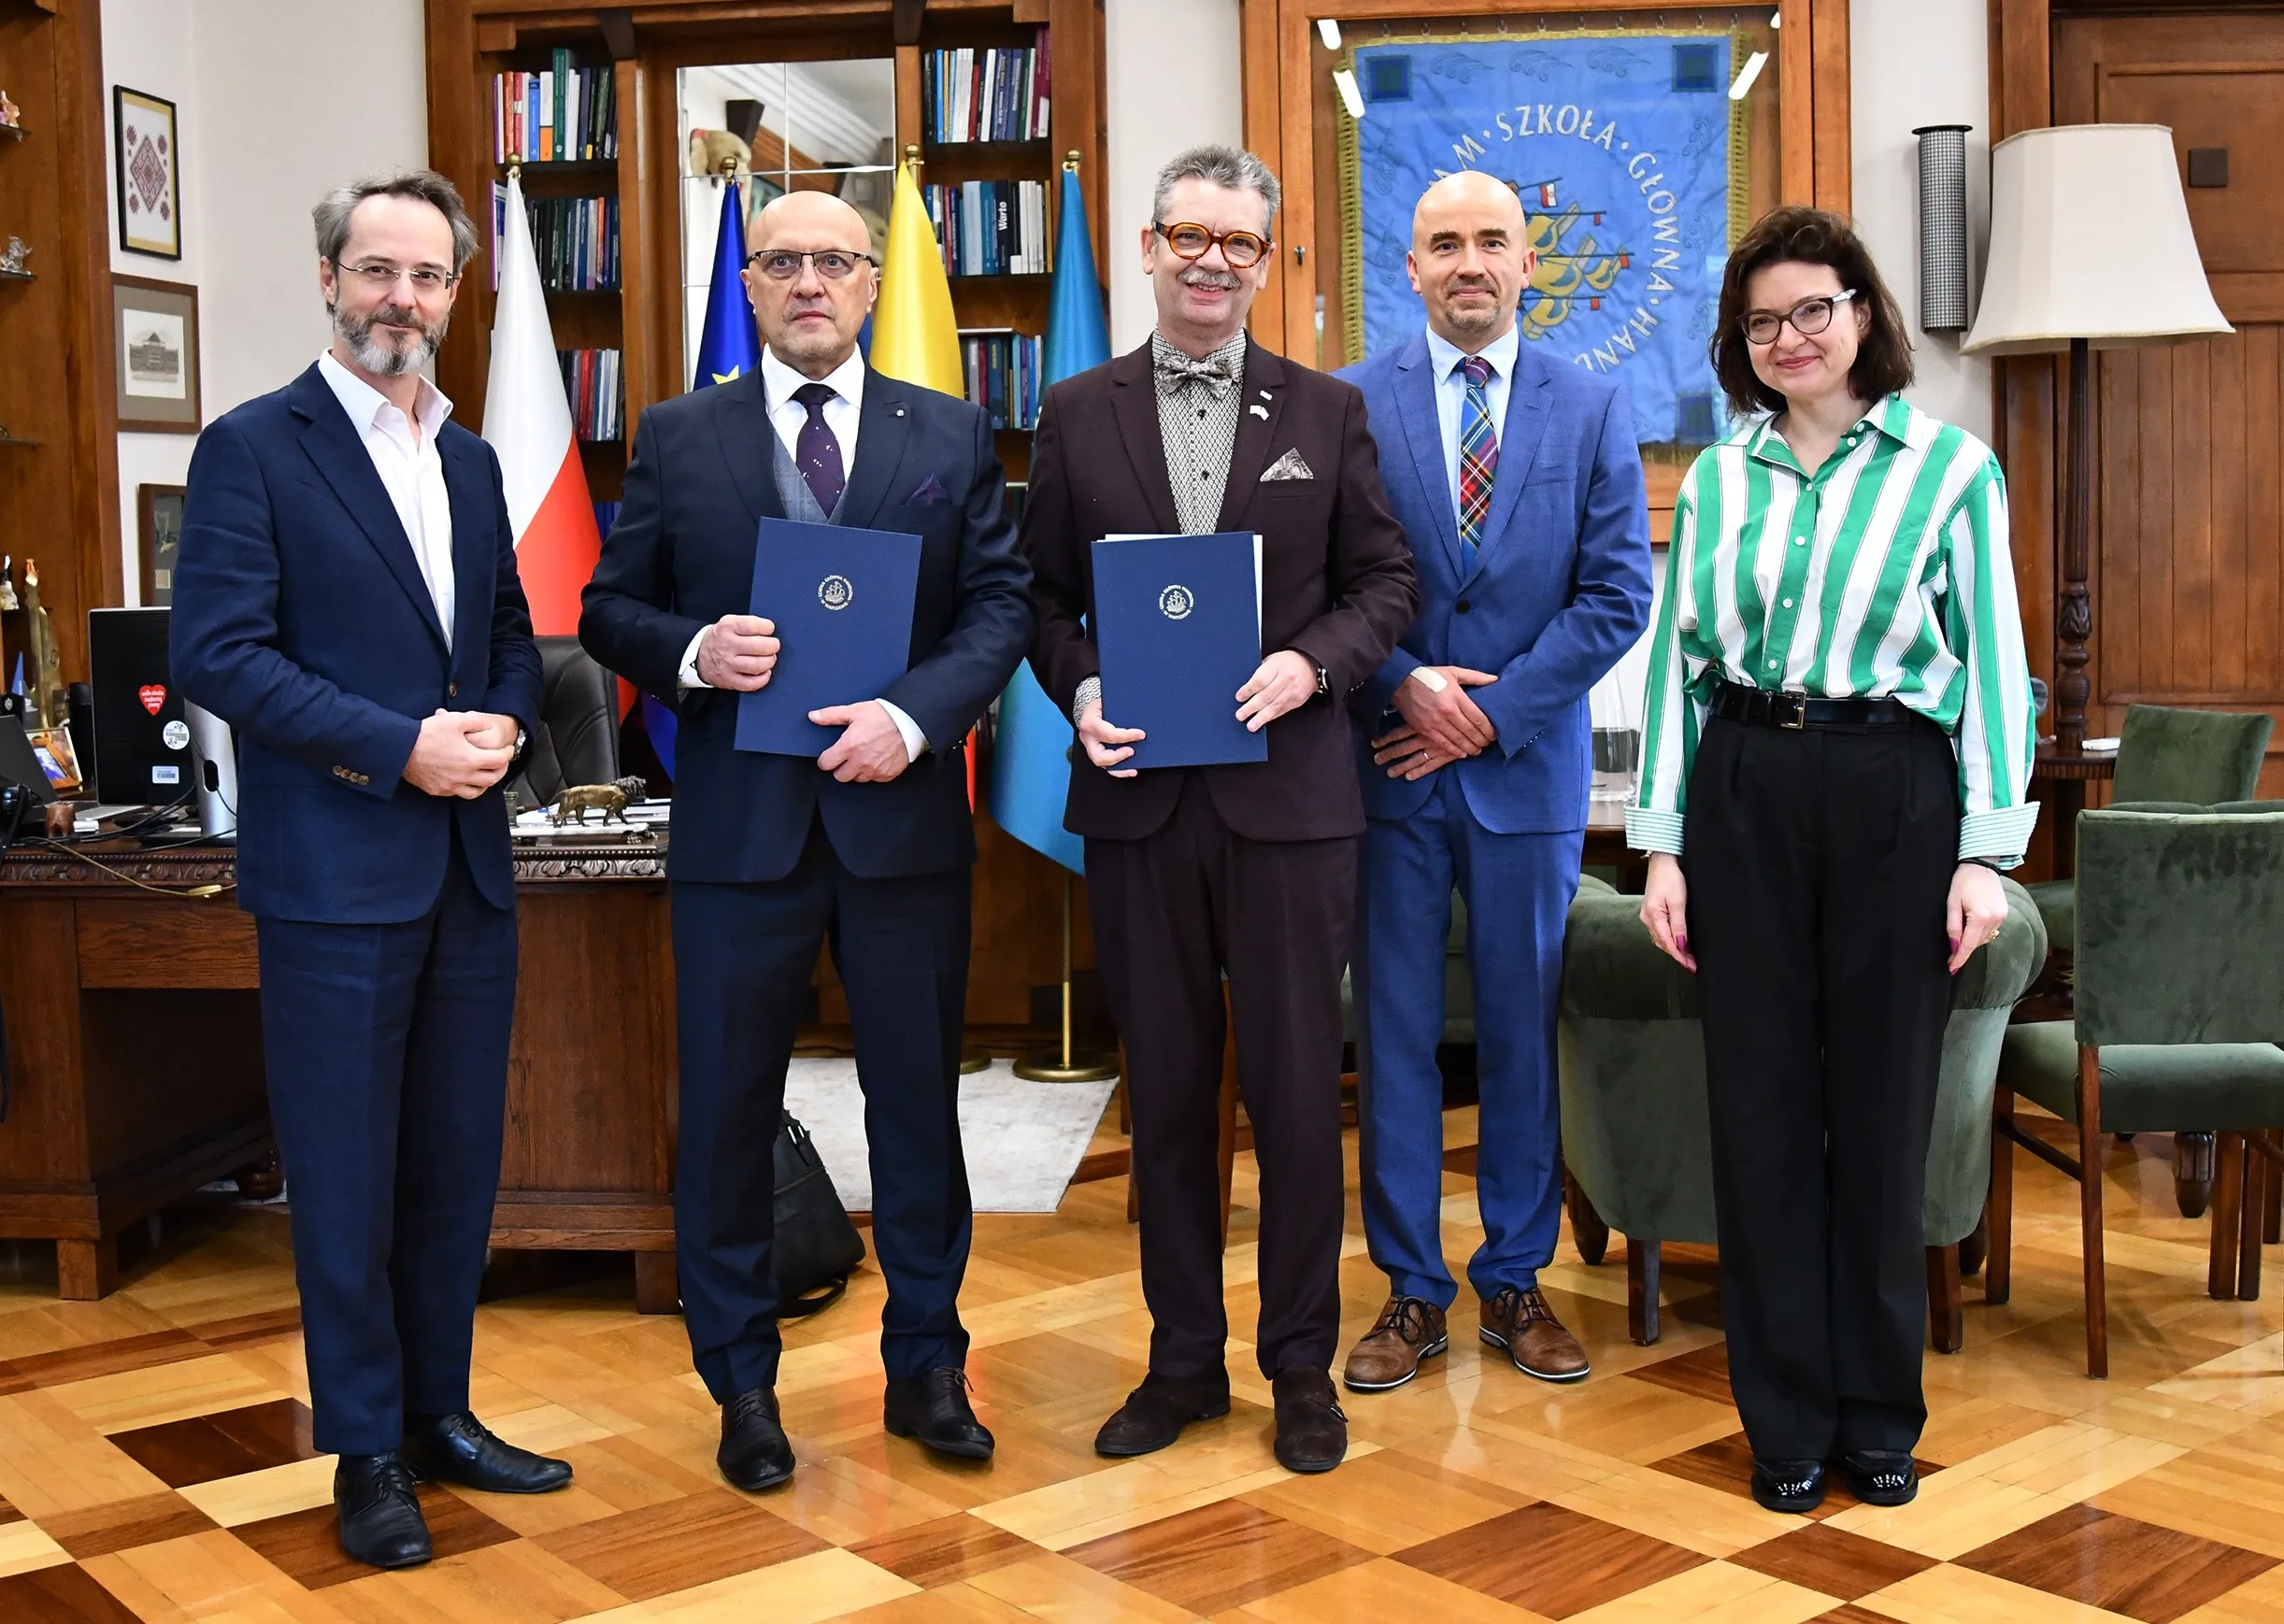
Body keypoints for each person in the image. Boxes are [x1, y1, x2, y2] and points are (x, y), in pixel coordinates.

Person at [579, 190, 1032, 1492]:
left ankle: (930, 1367)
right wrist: (690, 653)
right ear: (755, 285)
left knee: (915, 1114)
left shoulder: (946, 429)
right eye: (782, 262)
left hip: (900, 827)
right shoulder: (679, 434)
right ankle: (741, 1384)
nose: (809, 282)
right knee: (724, 1112)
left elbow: (998, 605)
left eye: (834, 261)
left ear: (873, 278)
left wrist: (915, 713)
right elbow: (610, 606)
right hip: (740, 837)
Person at [171, 169, 569, 1572]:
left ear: (459, 296)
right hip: (337, 873)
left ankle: (440, 1408)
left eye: (429, 277)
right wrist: (396, 746)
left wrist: (507, 721)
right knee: (344, 1176)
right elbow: (218, 654)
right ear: (331, 277)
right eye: (377, 270)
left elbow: (516, 633)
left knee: (456, 1163)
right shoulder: (252, 447)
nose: (403, 298)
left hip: (466, 869)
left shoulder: (468, 459)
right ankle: (363, 1450)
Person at [1629, 207, 2036, 1515]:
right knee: (1757, 1116)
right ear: (1738, 343)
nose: (1790, 337)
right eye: (1762, 320)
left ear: (1864, 312)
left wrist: (1984, 851)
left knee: (1879, 1115)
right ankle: (1786, 1416)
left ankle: (1878, 1415)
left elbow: (1998, 673)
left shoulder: (1950, 469)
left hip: (1891, 794)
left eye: (1814, 308)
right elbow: (1679, 672)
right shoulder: (1720, 480)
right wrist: (1663, 848)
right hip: (1745, 785)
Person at [1024, 144, 1418, 1474]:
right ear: (1148, 247)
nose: (1211, 260)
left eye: (1238, 243)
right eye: (1188, 235)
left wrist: (1313, 664)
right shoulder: (1076, 411)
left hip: (1294, 803)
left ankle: (1299, 1364)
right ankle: (1181, 1359)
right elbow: (1037, 599)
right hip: (1139, 799)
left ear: (1266, 261)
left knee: (1305, 1097)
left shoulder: (1327, 411)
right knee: (1173, 1096)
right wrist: (1076, 689)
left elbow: (1384, 582)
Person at [1335, 172, 1652, 1395]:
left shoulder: (1592, 404)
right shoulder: (1353, 405)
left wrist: (1491, 713)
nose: (1469, 262)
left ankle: (1514, 1278)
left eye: (1493, 243)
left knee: (1524, 1032)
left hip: (1525, 774)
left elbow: (1618, 592)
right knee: (1398, 1035)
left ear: (1531, 264)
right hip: (1387, 767)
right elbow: (1326, 588)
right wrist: (1408, 685)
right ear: (1408, 267)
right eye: (1443, 244)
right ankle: (1411, 1291)